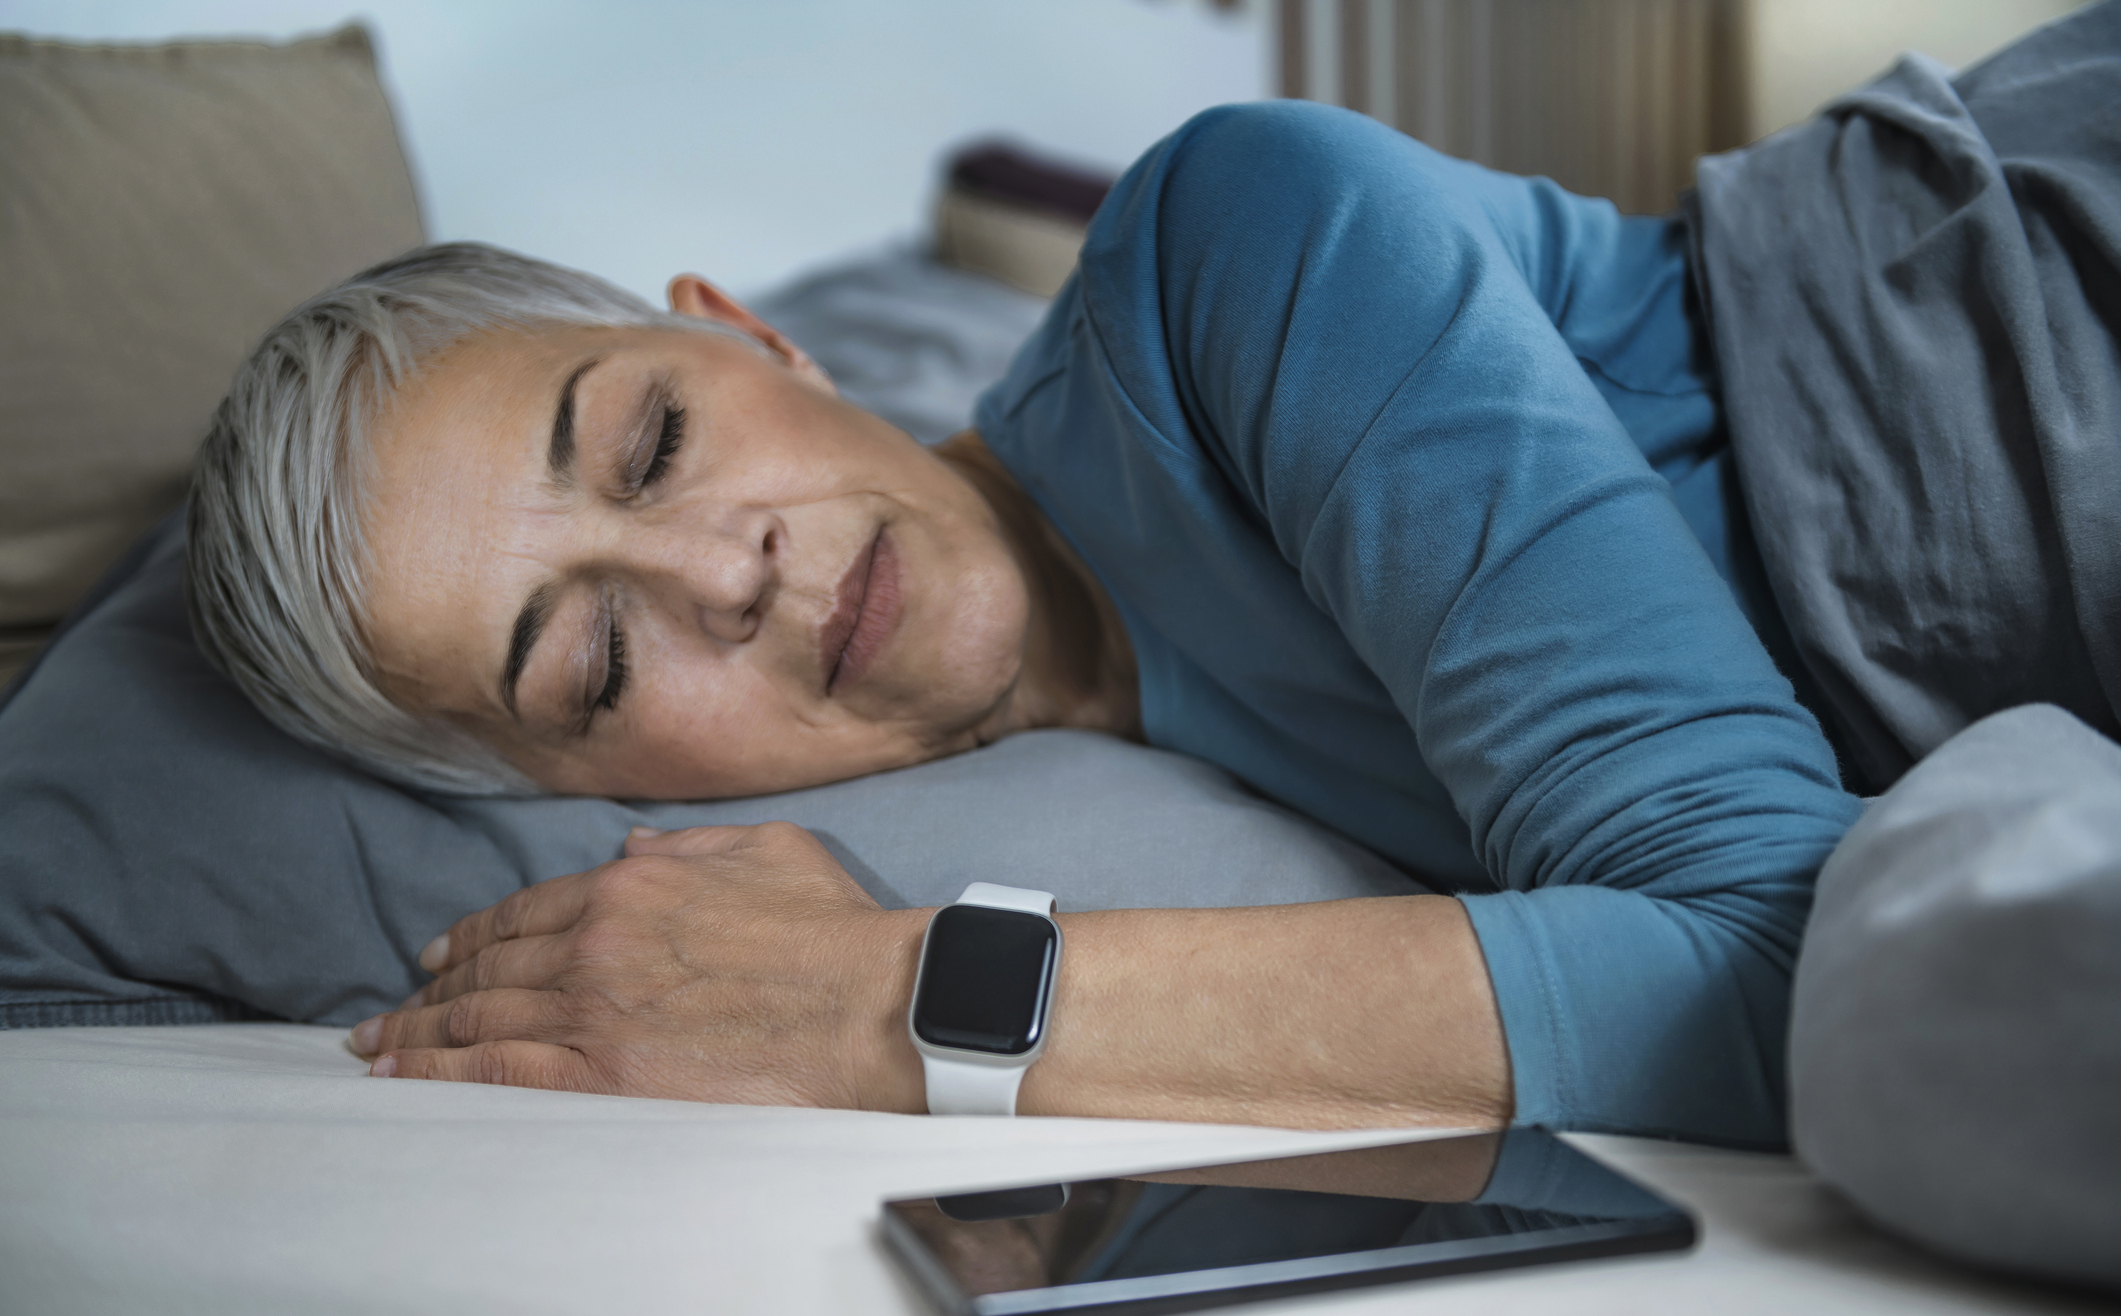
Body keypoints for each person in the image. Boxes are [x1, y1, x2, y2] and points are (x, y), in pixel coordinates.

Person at [183, 3, 2121, 1148]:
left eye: (651, 443)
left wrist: (875, 1004)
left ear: (755, 335)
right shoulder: (1088, 783)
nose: (722, 573)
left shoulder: (1231, 238)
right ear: (576, 794)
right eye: (590, 660)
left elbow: (1782, 947)